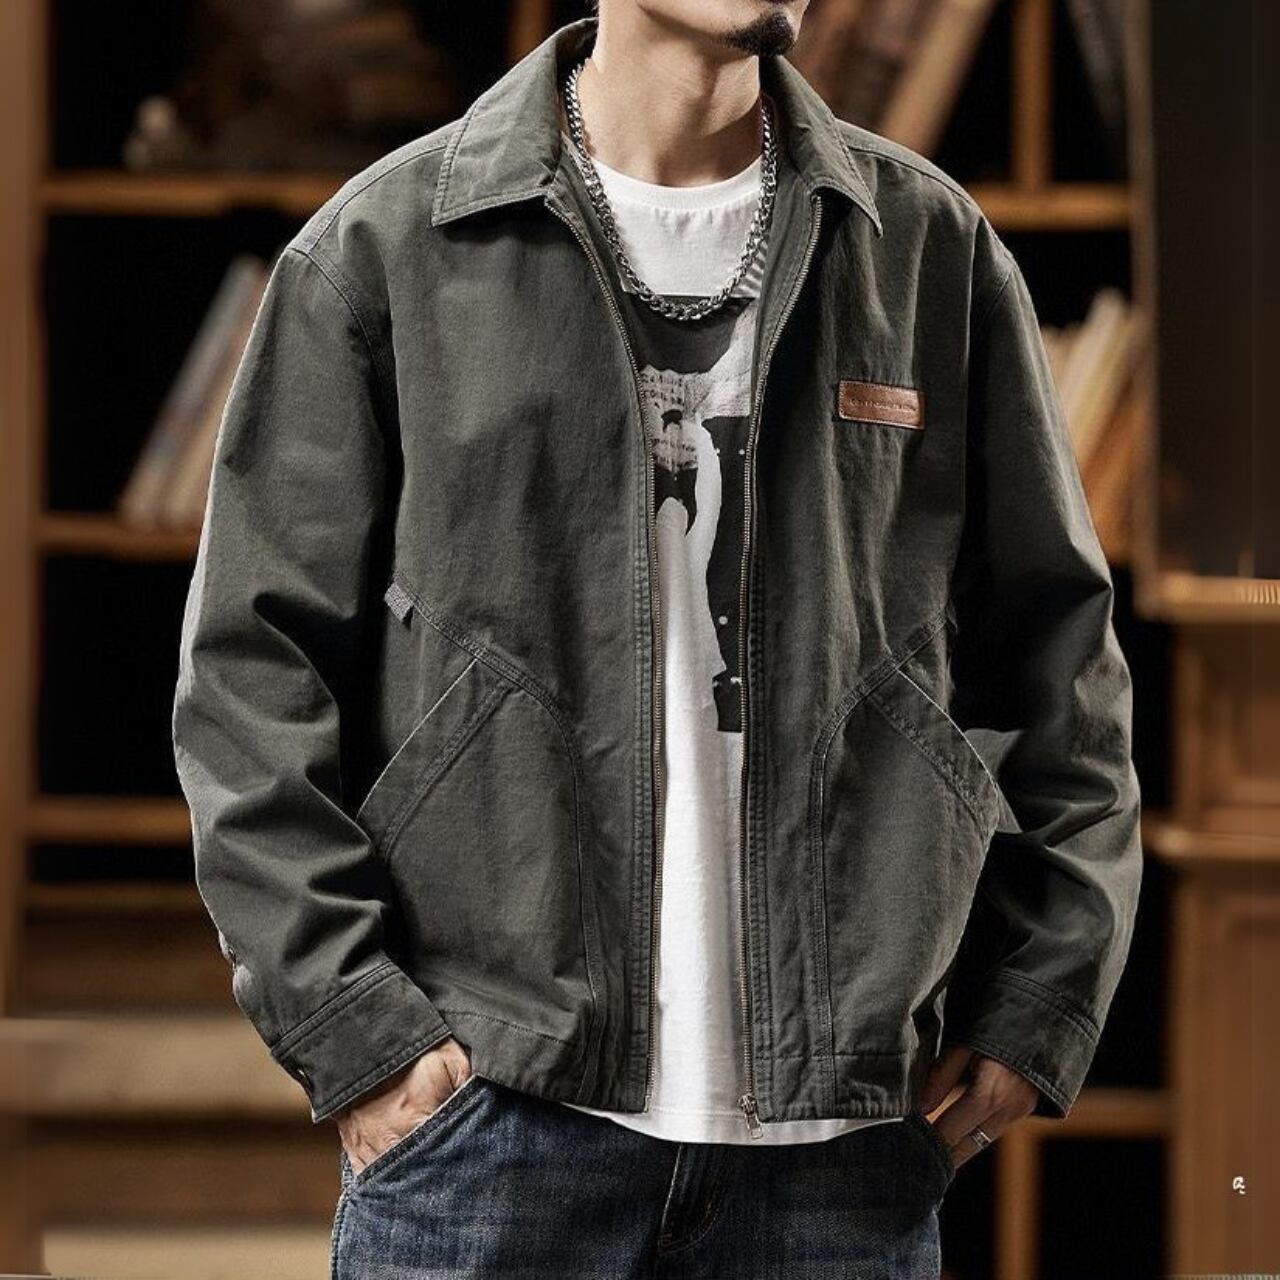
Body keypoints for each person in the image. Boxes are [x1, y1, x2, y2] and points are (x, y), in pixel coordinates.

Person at [172, 3, 1143, 1276]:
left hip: (840, 1149)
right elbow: (249, 677)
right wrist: (358, 1032)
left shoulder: (926, 250)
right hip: (491, 1121)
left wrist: (1037, 997)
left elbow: (1061, 657)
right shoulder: (386, 248)